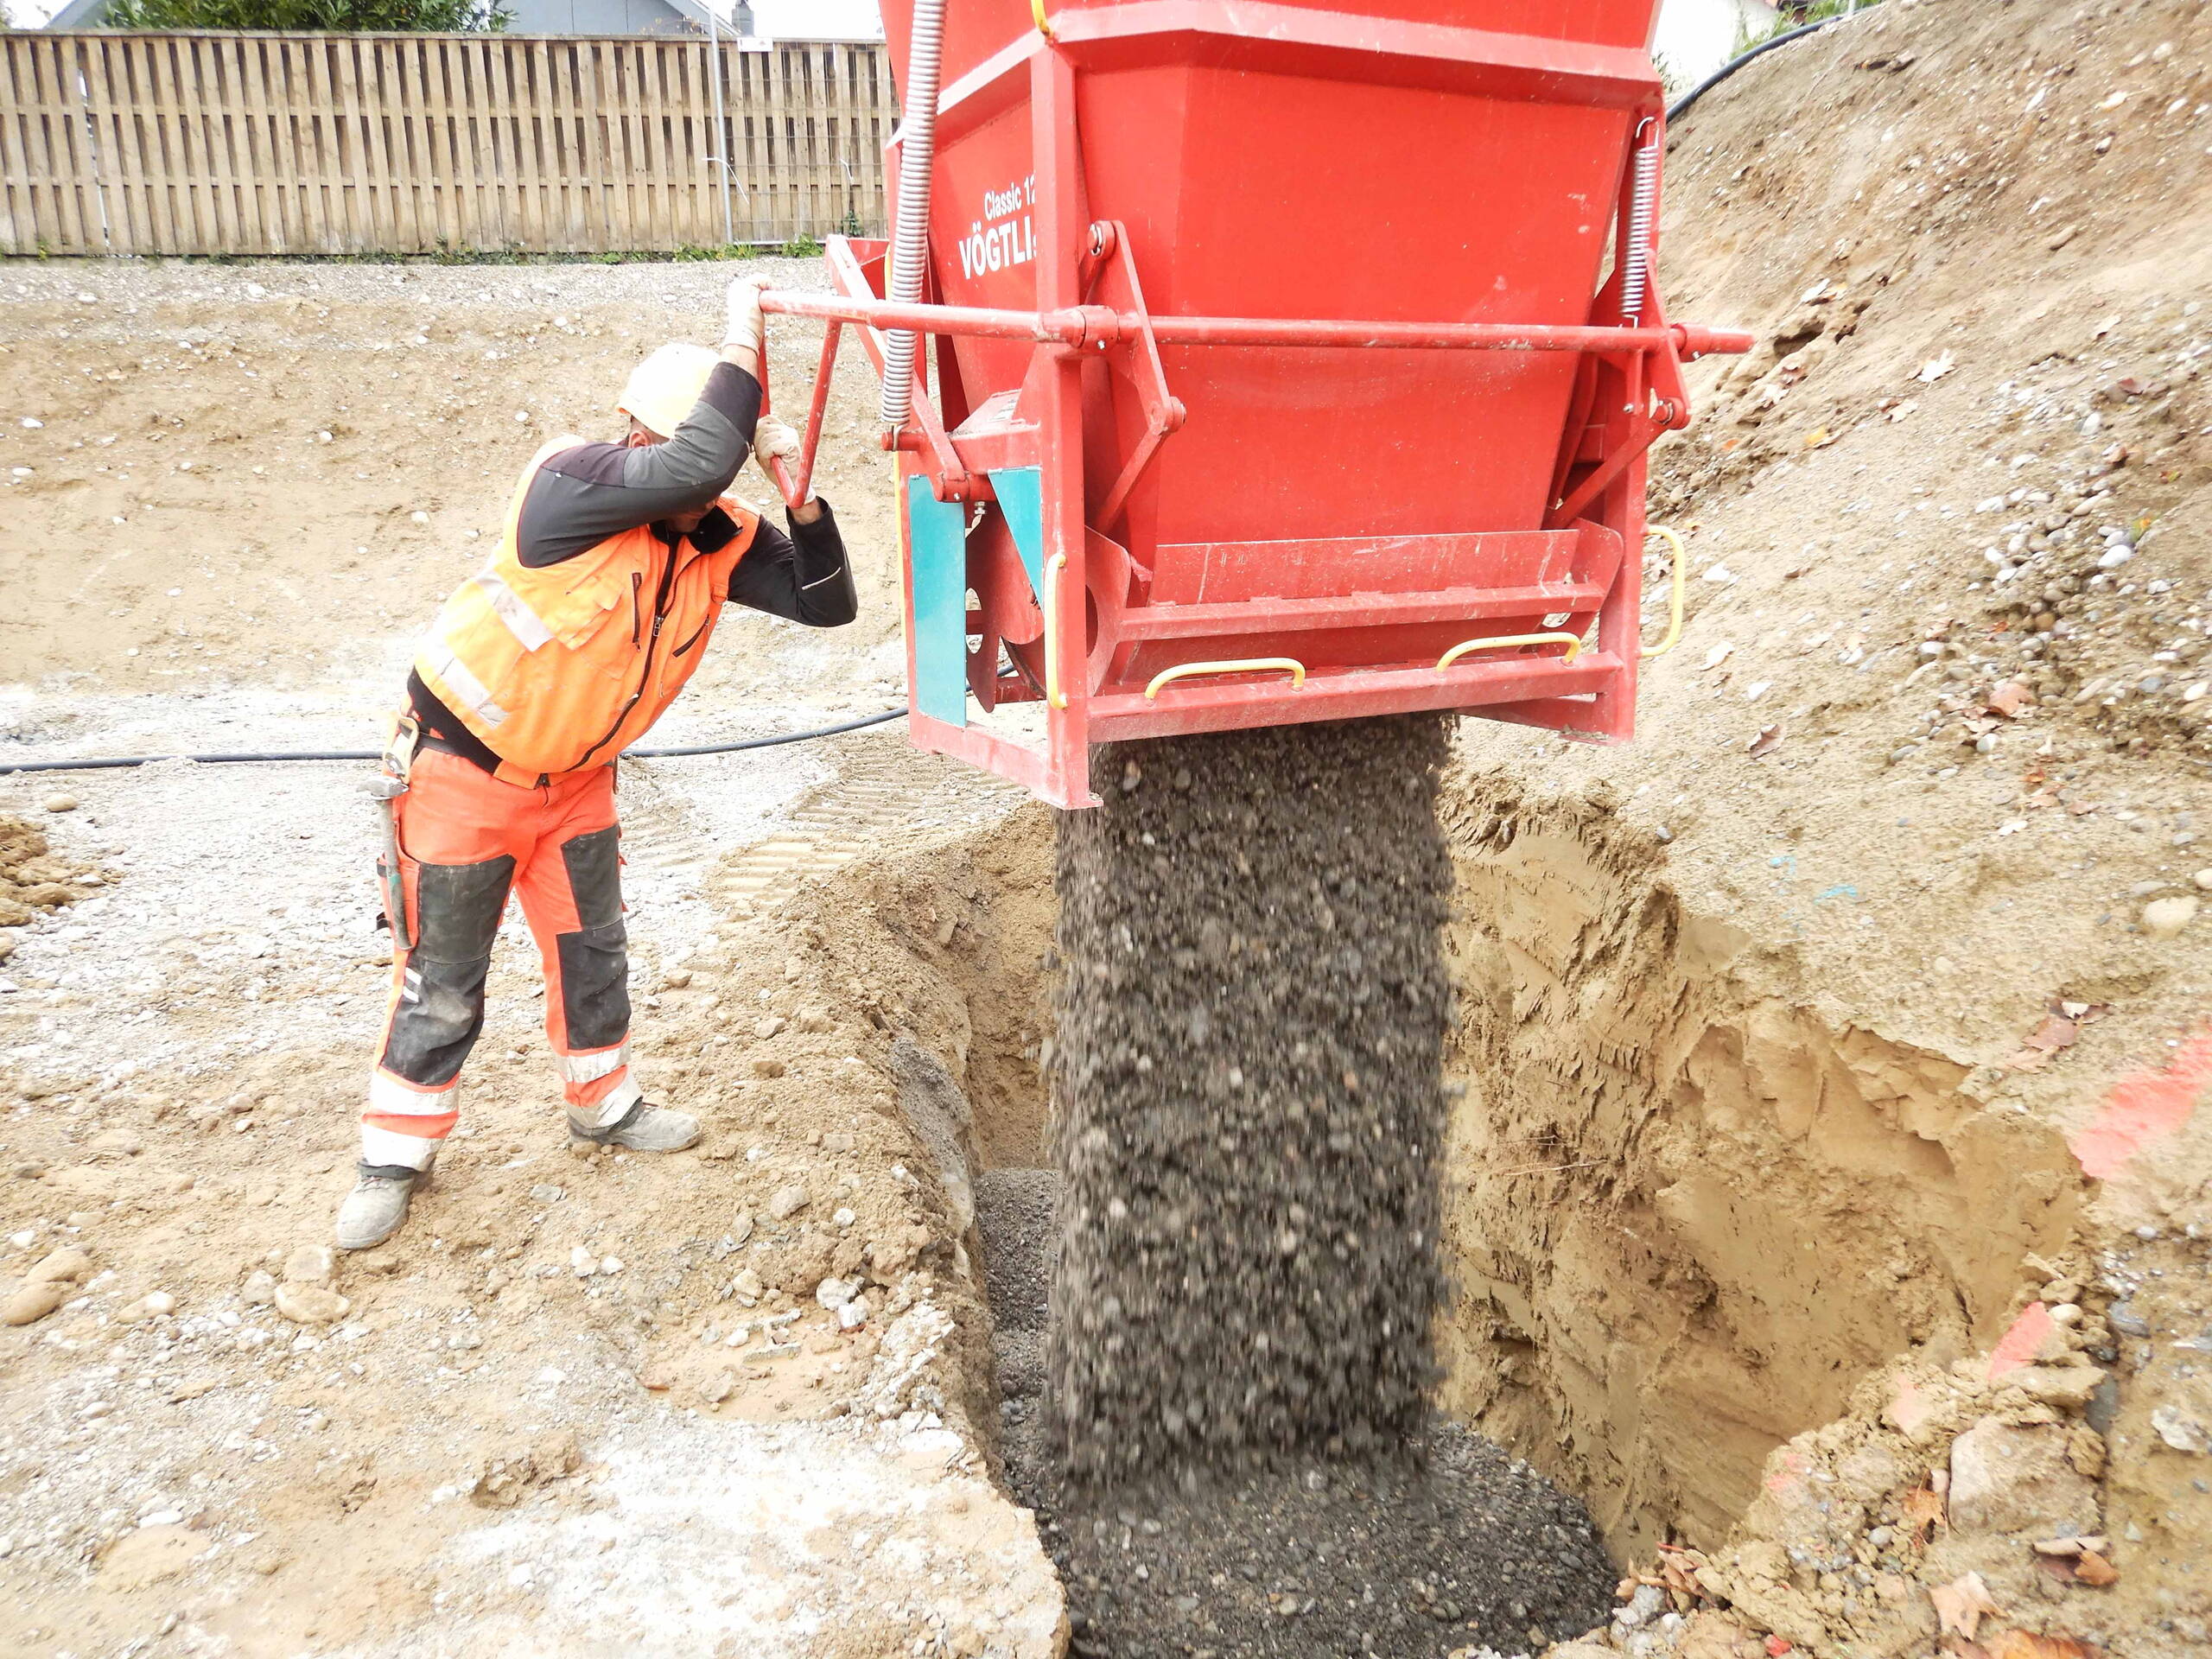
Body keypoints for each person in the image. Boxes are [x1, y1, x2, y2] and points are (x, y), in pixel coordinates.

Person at [336, 277, 855, 1251]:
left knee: (592, 953)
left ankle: (602, 1102)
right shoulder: (567, 487)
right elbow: (700, 456)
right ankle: (394, 1152)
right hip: (460, 776)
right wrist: (743, 332)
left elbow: (826, 605)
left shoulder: (714, 536)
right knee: (442, 974)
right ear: (635, 434)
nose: (687, 474)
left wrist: (805, 500)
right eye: (672, 450)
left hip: (576, 788)